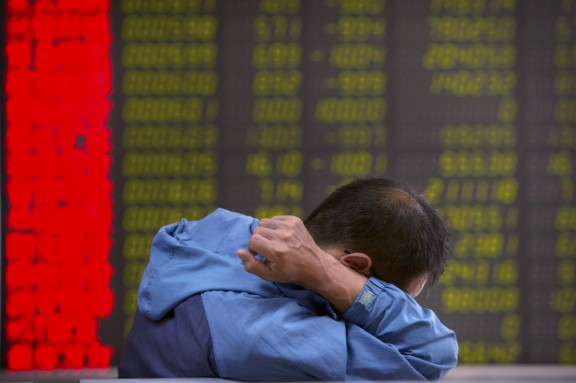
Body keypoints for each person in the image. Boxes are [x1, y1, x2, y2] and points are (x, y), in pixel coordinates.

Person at [118, 178, 458, 381]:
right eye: (386, 293)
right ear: (353, 266)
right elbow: (429, 353)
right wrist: (328, 274)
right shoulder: (268, 331)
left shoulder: (224, 231)